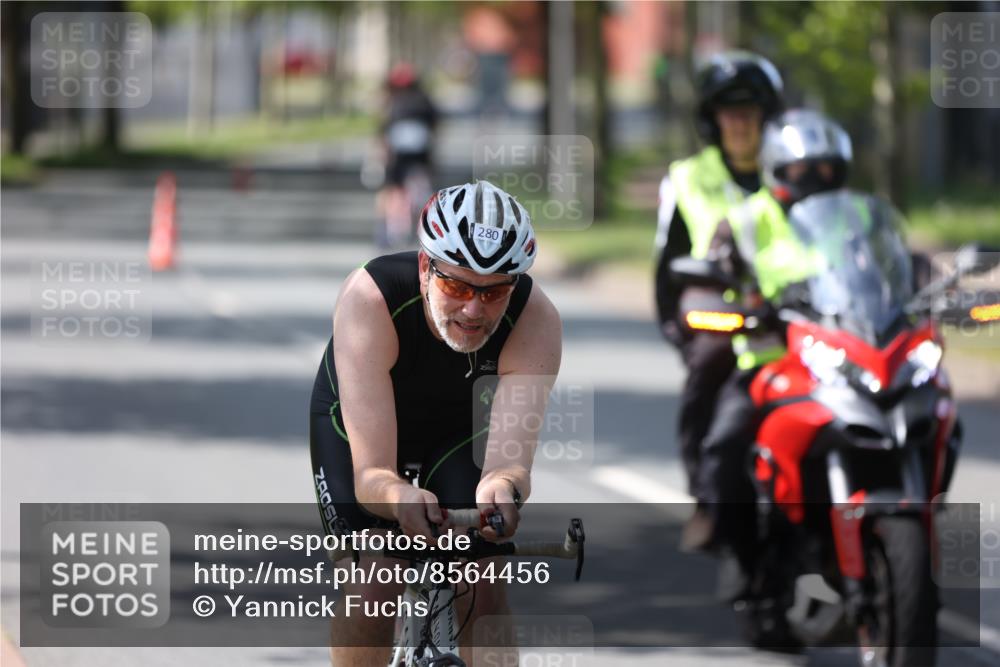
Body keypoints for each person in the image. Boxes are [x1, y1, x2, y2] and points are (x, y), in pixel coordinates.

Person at [309, 180, 562, 665]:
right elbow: (371, 478)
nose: (473, 309)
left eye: (494, 293)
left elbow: (509, 464)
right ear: (426, 266)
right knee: (376, 582)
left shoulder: (536, 319)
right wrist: (400, 496)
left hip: (457, 432)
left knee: (484, 580)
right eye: (456, 285)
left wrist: (503, 491)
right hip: (361, 430)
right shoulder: (370, 298)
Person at [690, 109, 854, 594]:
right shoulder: (744, 220)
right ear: (776, 171)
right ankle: (741, 558)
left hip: (846, 359)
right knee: (724, 447)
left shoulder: (859, 215)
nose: (814, 180)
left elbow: (900, 265)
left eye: (826, 170)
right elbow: (705, 279)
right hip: (771, 363)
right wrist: (728, 303)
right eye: (802, 170)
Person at [653, 51, 784, 509]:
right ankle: (705, 493)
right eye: (731, 112)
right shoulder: (688, 178)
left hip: (795, 309)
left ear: (768, 117)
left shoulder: (793, 170)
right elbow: (667, 262)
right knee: (709, 358)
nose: (741, 122)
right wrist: (679, 329)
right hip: (721, 312)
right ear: (713, 119)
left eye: (751, 111)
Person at [377, 63, 439, 248]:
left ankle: (389, 230)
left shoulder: (391, 103)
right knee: (420, 190)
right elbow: (435, 130)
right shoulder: (425, 101)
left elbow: (383, 134)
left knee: (394, 192)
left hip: (397, 157)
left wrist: (380, 157)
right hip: (420, 157)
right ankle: (423, 229)